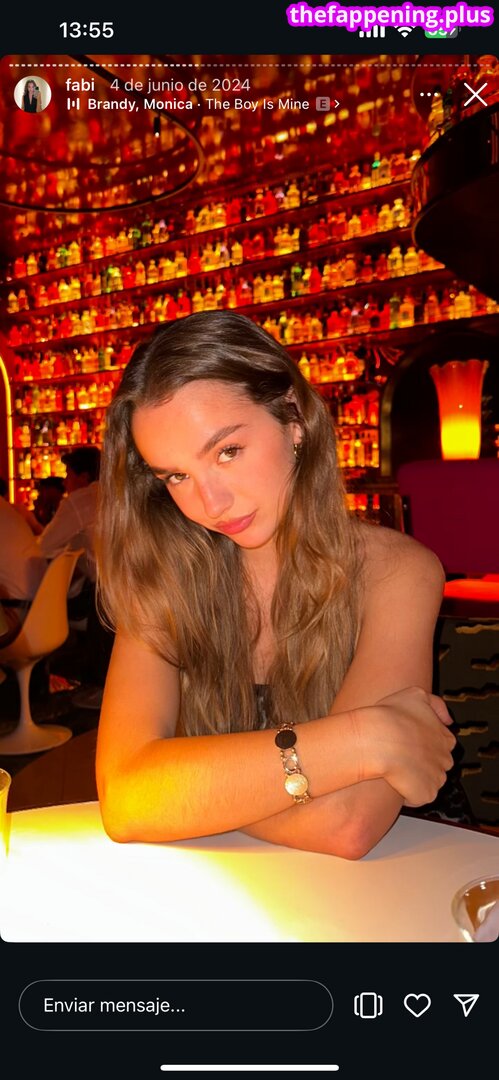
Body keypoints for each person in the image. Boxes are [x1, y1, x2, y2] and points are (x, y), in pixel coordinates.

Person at [95, 311, 456, 858]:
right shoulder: (162, 578)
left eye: (227, 451)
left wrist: (186, 794)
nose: (210, 504)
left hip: (389, 882)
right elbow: (125, 799)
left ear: (293, 418)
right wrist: (368, 738)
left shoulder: (397, 571)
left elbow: (347, 822)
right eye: (176, 476)